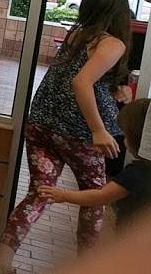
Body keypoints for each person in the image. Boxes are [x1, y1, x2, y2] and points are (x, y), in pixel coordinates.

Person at [0, 0, 131, 274]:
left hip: (41, 125)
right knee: (94, 200)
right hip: (78, 135)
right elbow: (81, 82)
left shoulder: (77, 35)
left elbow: (83, 80)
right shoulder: (112, 43)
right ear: (120, 13)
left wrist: (116, 91)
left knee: (39, 193)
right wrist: (98, 130)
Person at [39, 98, 150, 231]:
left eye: (125, 135)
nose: (124, 140)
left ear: (137, 138)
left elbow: (101, 196)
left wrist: (63, 195)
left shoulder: (136, 173)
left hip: (130, 235)